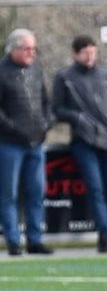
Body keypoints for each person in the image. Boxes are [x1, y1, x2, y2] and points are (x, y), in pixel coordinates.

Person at [52, 35, 107, 253]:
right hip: (84, 141)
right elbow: (58, 109)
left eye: (92, 52)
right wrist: (78, 119)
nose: (89, 56)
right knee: (95, 189)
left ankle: (106, 235)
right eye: (85, 52)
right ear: (75, 54)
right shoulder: (65, 77)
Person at [0, 28, 54, 256]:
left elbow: (45, 102)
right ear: (13, 49)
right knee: (9, 193)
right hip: (10, 144)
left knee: (36, 192)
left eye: (34, 48)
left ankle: (35, 239)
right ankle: (13, 240)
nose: (31, 53)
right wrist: (15, 129)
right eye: (27, 49)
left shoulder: (36, 71)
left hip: (36, 143)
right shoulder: (2, 73)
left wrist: (46, 123)